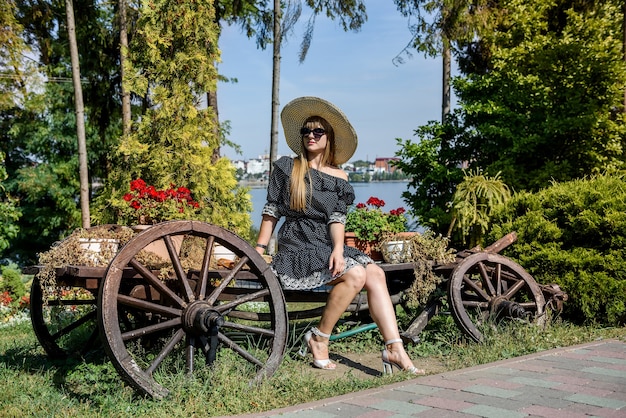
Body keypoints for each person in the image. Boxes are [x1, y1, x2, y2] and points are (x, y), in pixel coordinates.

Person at [255, 96, 423, 374]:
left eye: (317, 131)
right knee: (357, 275)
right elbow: (271, 211)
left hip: (326, 242)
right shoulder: (287, 167)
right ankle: (320, 339)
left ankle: (394, 348)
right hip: (297, 244)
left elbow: (336, 219)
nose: (311, 135)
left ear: (328, 137)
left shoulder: (339, 177)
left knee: (376, 274)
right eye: (306, 131)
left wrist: (337, 248)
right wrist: (259, 250)